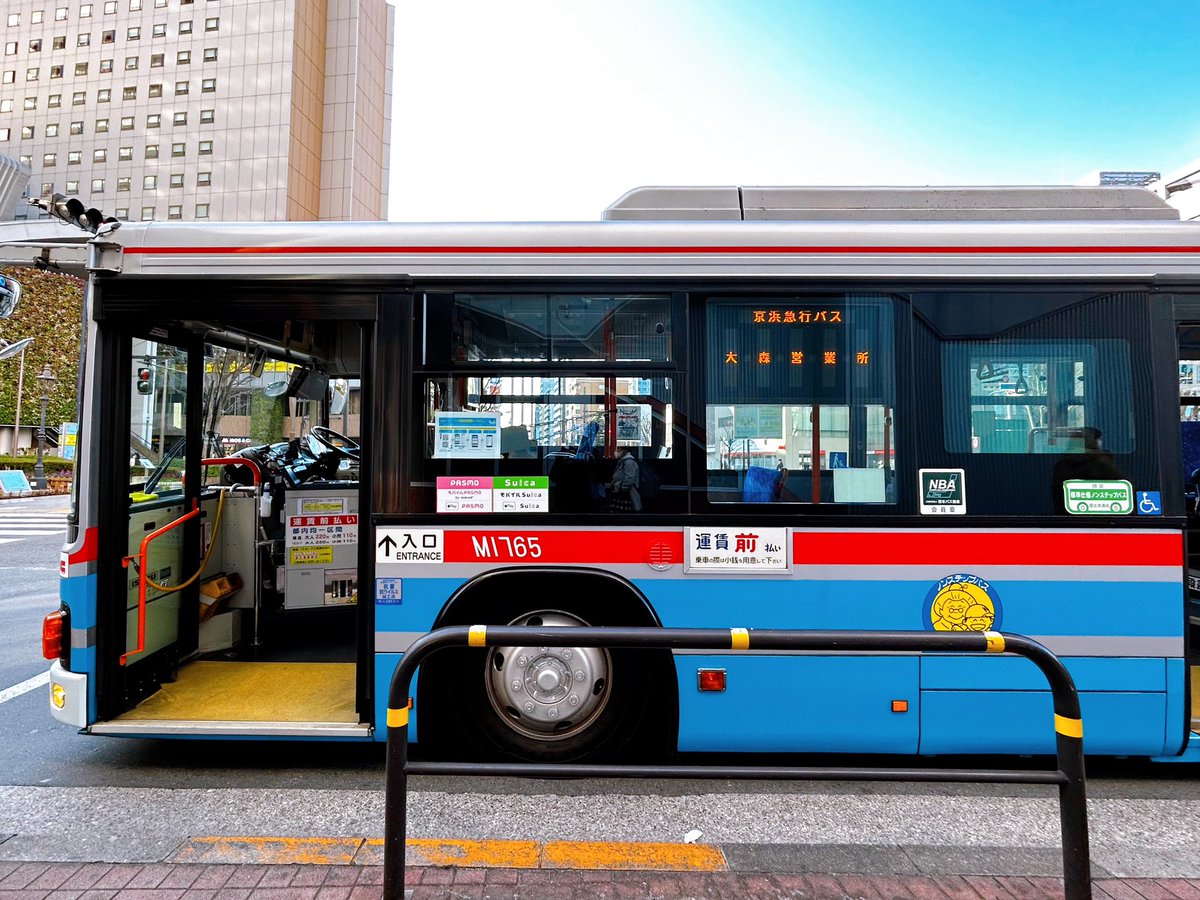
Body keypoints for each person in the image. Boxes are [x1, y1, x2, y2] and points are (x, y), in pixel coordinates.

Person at [607, 447, 642, 512]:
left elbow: (629, 479)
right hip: (621, 493)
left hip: (625, 495)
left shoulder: (629, 462)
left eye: (618, 450)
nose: (616, 452)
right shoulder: (623, 461)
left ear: (624, 451)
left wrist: (620, 487)